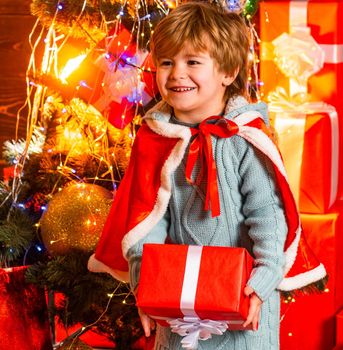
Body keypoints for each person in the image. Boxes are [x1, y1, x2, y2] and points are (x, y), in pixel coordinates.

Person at [88, 1, 327, 349]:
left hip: (246, 303)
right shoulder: (158, 137)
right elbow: (145, 220)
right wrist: (146, 290)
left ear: (227, 72)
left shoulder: (244, 136)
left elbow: (269, 215)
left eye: (193, 62)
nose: (176, 74)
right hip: (175, 303)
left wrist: (263, 280)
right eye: (166, 62)